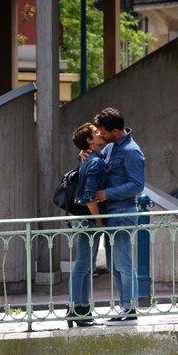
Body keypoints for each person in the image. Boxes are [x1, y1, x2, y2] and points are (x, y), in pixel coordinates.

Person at [93, 107, 145, 322]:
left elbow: (137, 185)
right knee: (115, 265)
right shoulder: (111, 147)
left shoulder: (131, 151)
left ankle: (129, 308)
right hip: (113, 214)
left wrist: (107, 194)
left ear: (115, 130)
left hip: (123, 212)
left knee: (123, 264)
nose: (101, 136)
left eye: (103, 133)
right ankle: (125, 307)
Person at [66, 123, 107, 328]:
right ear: (90, 141)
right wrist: (99, 221)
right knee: (83, 264)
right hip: (88, 220)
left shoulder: (89, 159)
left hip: (82, 219)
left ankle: (81, 308)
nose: (100, 133)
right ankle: (76, 308)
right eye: (95, 132)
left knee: (84, 264)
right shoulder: (95, 163)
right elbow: (89, 195)